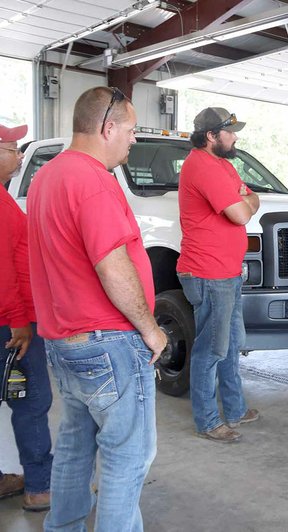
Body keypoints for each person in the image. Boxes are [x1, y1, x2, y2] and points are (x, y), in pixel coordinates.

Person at [27, 86, 168, 532]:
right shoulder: (92, 180)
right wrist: (150, 328)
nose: (132, 140)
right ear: (107, 128)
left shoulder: (48, 176)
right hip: (109, 343)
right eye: (130, 130)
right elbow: (112, 265)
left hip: (66, 342)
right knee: (128, 458)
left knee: (74, 449)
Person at [178, 107, 260, 444]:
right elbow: (242, 213)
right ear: (212, 135)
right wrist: (245, 203)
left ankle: (235, 408)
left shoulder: (224, 166)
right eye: (230, 131)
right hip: (209, 274)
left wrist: (247, 201)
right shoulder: (201, 166)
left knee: (229, 346)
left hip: (228, 273)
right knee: (210, 350)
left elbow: (253, 198)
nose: (236, 136)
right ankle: (208, 420)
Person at [0, 123, 53, 512]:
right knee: (32, 401)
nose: (20, 156)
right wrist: (19, 321)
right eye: (12, 149)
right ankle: (40, 487)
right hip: (12, 324)